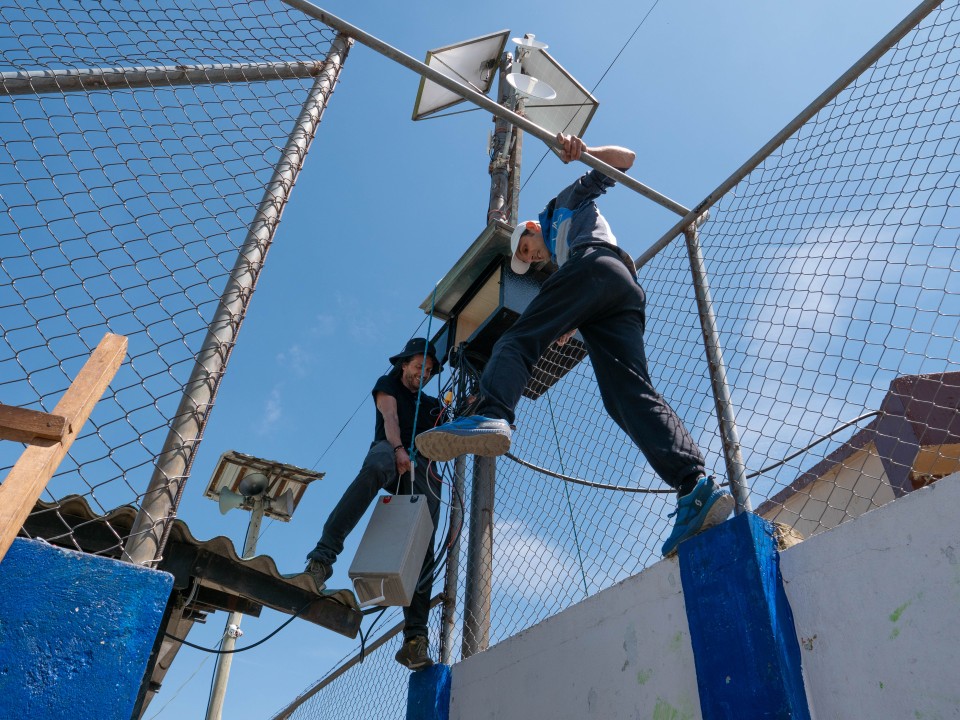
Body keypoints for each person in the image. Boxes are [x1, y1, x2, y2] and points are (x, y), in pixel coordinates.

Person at [416, 133, 733, 557]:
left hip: (596, 264)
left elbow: (625, 159)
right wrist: (573, 320)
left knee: (517, 339)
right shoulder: (562, 260)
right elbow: (579, 293)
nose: (531, 259)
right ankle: (694, 487)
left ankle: (493, 414)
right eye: (527, 260)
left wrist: (583, 151)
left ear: (531, 228)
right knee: (626, 396)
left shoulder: (558, 208)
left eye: (526, 250)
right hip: (622, 295)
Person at [298, 338, 444, 670]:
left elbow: (444, 434)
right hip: (389, 451)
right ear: (405, 364)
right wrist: (397, 449)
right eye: (419, 366)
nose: (424, 373)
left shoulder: (434, 405)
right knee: (377, 466)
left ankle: (414, 639)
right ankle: (321, 560)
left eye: (430, 369)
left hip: (419, 466)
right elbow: (390, 418)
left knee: (425, 536)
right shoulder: (387, 384)